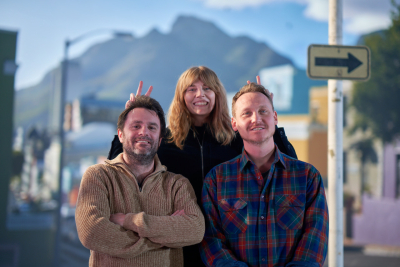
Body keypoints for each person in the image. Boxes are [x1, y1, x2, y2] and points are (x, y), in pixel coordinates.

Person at [107, 66, 297, 267]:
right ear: (181, 96)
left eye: (207, 88)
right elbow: (121, 171)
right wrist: (130, 120)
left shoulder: (237, 139)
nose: (200, 94)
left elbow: (286, 167)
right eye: (191, 89)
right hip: (176, 242)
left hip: (229, 245)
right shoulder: (165, 140)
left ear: (217, 94)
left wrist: (267, 111)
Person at [200, 83, 328, 267]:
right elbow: (211, 240)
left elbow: (315, 237)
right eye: (247, 113)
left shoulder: (308, 177)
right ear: (234, 123)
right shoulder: (216, 180)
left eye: (263, 111)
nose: (256, 119)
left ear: (275, 117)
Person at [75, 96, 205, 267]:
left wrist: (128, 221)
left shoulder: (177, 185)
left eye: (152, 127)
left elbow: (194, 230)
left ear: (159, 141)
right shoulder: (98, 176)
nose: (144, 132)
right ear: (120, 134)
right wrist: (164, 239)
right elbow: (92, 232)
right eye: (136, 126)